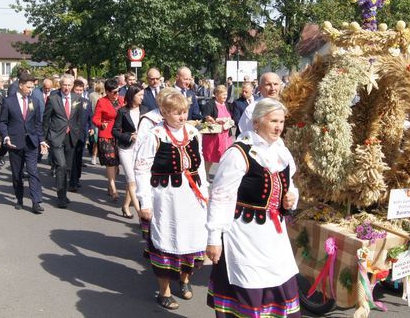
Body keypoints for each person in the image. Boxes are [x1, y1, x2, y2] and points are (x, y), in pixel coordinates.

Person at [206, 98, 300, 318]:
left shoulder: (281, 152)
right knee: (249, 288)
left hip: (274, 236)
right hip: (244, 235)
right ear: (256, 122)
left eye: (282, 122)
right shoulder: (239, 153)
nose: (279, 127)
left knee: (280, 284)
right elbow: (220, 197)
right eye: (274, 121)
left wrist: (291, 197)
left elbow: (291, 184)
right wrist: (213, 239)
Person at [135, 91, 209, 310]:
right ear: (165, 113)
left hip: (192, 198)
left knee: (192, 239)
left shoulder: (194, 132)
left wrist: (205, 192)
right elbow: (141, 169)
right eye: (177, 113)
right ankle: (164, 290)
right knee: (167, 240)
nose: (182, 117)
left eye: (184, 112)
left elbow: (200, 165)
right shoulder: (156, 135)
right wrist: (144, 202)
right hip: (166, 199)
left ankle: (185, 280)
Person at [0, 74, 47, 213]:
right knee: (17, 173)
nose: (30, 90)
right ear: (20, 85)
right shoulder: (8, 101)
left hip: (31, 142)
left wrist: (42, 140)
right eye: (28, 87)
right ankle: (19, 198)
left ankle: (36, 201)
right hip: (15, 142)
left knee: (33, 172)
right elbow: (3, 122)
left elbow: (38, 124)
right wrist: (6, 137)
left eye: (32, 87)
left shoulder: (35, 101)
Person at [41, 74, 84, 208]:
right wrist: (44, 139)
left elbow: (78, 118)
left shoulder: (78, 98)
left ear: (72, 86)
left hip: (71, 137)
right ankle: (60, 196)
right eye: (64, 85)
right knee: (61, 165)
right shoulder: (53, 99)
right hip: (56, 136)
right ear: (60, 85)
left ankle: (64, 193)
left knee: (68, 168)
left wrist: (77, 133)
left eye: (69, 85)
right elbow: (46, 119)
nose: (66, 88)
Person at [113, 85, 147, 219]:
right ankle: (140, 214)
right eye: (140, 95)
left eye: (143, 95)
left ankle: (126, 205)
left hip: (141, 149)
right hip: (126, 149)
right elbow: (115, 131)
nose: (142, 98)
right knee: (132, 180)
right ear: (132, 96)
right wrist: (129, 136)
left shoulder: (145, 110)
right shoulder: (122, 111)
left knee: (134, 180)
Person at [92, 78, 125, 201]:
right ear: (107, 91)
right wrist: (101, 124)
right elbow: (95, 118)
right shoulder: (102, 101)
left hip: (120, 135)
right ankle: (113, 187)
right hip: (106, 135)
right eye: (114, 92)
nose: (117, 94)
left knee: (116, 163)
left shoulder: (122, 100)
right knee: (110, 161)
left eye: (118, 91)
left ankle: (111, 185)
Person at [201, 85, 234, 176]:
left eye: (226, 94)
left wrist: (230, 121)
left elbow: (230, 116)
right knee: (209, 158)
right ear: (216, 95)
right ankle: (205, 175)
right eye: (223, 94)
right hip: (213, 137)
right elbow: (205, 117)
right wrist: (211, 119)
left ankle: (223, 176)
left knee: (226, 157)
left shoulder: (226, 104)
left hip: (226, 136)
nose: (225, 97)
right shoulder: (210, 104)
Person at [69, 79, 93, 192]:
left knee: (78, 158)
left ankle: (76, 178)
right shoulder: (70, 101)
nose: (78, 92)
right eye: (76, 90)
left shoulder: (86, 102)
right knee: (72, 158)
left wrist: (91, 128)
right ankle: (72, 181)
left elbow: (90, 117)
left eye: (80, 90)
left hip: (82, 134)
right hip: (70, 133)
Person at [89, 79, 105, 165]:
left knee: (102, 139)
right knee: (96, 139)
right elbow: (91, 107)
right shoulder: (92, 95)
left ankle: (99, 155)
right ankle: (94, 155)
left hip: (104, 119)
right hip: (96, 118)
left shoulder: (106, 95)